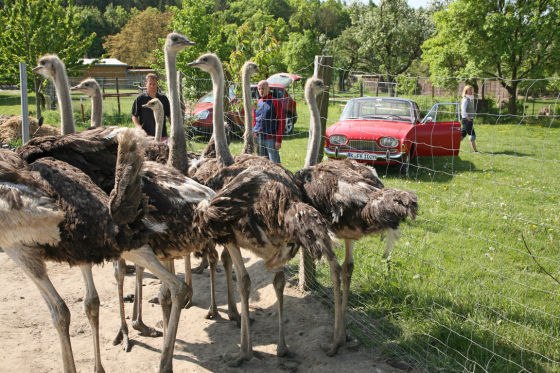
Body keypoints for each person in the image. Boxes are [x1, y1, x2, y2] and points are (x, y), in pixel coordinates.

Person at [252, 80, 285, 163]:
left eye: (263, 88)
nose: (261, 91)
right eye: (259, 89)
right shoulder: (256, 103)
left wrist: (278, 140)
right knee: (261, 163)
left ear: (268, 88)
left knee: (275, 163)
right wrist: (254, 132)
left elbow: (282, 122)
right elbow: (255, 119)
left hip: (271, 138)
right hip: (259, 138)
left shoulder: (276, 102)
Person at [131, 73, 171, 139]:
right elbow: (134, 116)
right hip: (146, 136)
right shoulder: (140, 99)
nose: (152, 86)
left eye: (154, 84)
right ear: (146, 84)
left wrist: (173, 129)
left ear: (157, 84)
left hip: (162, 134)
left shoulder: (163, 98)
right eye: (150, 84)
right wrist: (139, 128)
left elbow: (169, 115)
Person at [460, 84, 478, 152]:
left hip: (469, 119)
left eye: (471, 90)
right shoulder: (465, 99)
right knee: (472, 135)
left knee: (463, 135)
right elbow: (463, 110)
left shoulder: (470, 99)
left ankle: (452, 146)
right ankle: (475, 151)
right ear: (466, 91)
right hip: (466, 120)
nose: (471, 91)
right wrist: (468, 118)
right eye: (469, 90)